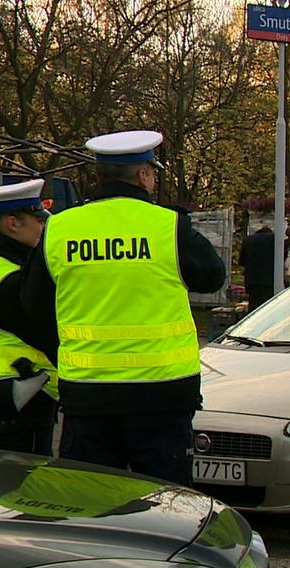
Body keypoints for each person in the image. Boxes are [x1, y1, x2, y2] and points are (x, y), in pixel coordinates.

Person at [22, 130, 226, 485]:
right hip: (162, 395)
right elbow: (212, 277)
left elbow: (33, 305)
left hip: (88, 396)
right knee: (167, 508)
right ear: (144, 175)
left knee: (90, 507)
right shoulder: (168, 226)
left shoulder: (60, 228)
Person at [0, 180, 59, 454]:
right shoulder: (14, 280)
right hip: (20, 401)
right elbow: (52, 337)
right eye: (37, 220)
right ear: (13, 224)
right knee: (24, 489)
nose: (43, 228)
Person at [240, 223, 276, 310]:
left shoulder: (248, 240)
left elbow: (242, 261)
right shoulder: (274, 239)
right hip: (269, 278)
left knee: (254, 305)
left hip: (252, 279)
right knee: (268, 306)